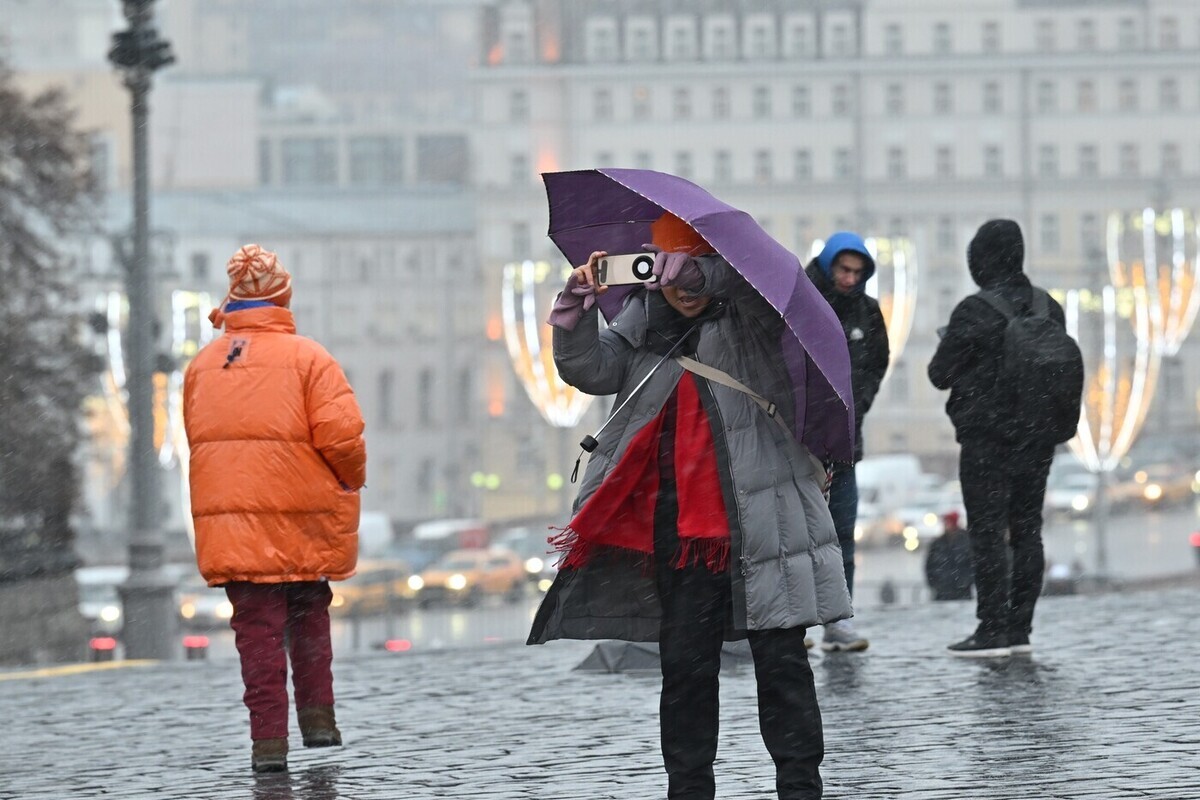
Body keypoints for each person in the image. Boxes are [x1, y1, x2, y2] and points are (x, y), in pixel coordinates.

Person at [529, 213, 851, 800]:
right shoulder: (643, 322)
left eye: (687, 264)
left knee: (781, 666)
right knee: (685, 671)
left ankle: (801, 787)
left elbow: (749, 287)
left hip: (764, 525)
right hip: (681, 533)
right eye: (663, 266)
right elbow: (592, 369)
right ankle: (689, 789)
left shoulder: (753, 318)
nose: (677, 284)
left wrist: (706, 275)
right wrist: (572, 316)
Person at [183, 244, 367, 772]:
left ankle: (267, 742)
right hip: (303, 514)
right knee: (309, 613)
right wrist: (349, 481)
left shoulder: (201, 366)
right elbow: (342, 437)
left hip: (234, 523)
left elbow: (200, 439)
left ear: (232, 297)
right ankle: (318, 720)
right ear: (283, 296)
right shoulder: (310, 358)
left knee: (256, 632)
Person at [927, 219, 1067, 657]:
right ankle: (1020, 629)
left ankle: (991, 629)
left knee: (987, 532)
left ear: (981, 259)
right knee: (1028, 531)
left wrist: (956, 345)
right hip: (1038, 439)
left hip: (987, 440)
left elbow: (938, 374)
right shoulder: (1049, 308)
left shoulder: (975, 310)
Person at [804, 232, 888, 652]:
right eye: (843, 269)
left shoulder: (868, 313)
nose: (850, 279)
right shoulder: (799, 303)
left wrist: (858, 403)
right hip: (798, 444)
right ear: (828, 265)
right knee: (795, 536)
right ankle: (793, 623)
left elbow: (876, 365)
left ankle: (838, 621)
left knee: (840, 536)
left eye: (857, 272)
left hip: (845, 446)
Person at [924, 511, 974, 601]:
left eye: (948, 522)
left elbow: (972, 564)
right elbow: (929, 566)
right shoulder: (937, 544)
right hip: (943, 592)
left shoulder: (966, 542)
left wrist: (965, 582)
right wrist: (936, 583)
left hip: (962, 592)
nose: (946, 526)